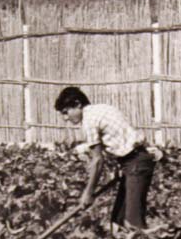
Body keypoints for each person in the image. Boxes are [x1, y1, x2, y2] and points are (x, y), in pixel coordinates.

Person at [55, 86, 155, 230]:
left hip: (136, 162)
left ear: (77, 104)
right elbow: (118, 138)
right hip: (135, 160)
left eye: (66, 112)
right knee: (118, 222)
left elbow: (97, 160)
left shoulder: (88, 120)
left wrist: (88, 193)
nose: (65, 118)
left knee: (133, 224)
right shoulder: (102, 108)